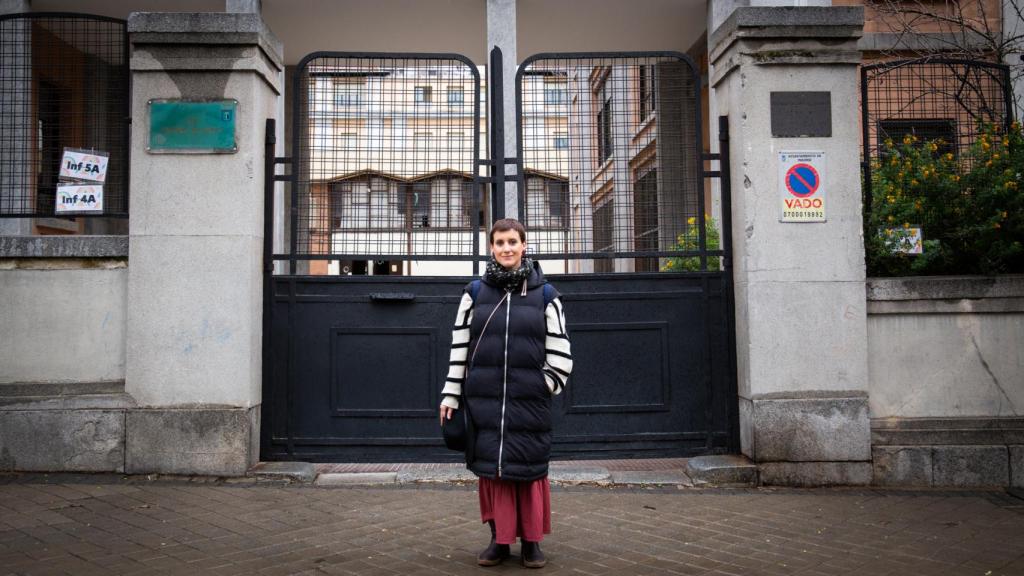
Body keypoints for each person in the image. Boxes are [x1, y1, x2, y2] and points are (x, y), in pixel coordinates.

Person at [439, 218, 572, 569]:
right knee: (494, 471)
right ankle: (498, 541)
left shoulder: (546, 294)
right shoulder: (474, 293)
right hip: (485, 401)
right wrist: (451, 394)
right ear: (492, 248)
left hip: (529, 402)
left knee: (528, 472)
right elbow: (459, 348)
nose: (507, 248)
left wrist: (545, 384)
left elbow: (561, 353)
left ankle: (531, 544)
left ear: (524, 245)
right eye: (500, 242)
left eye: (513, 241)